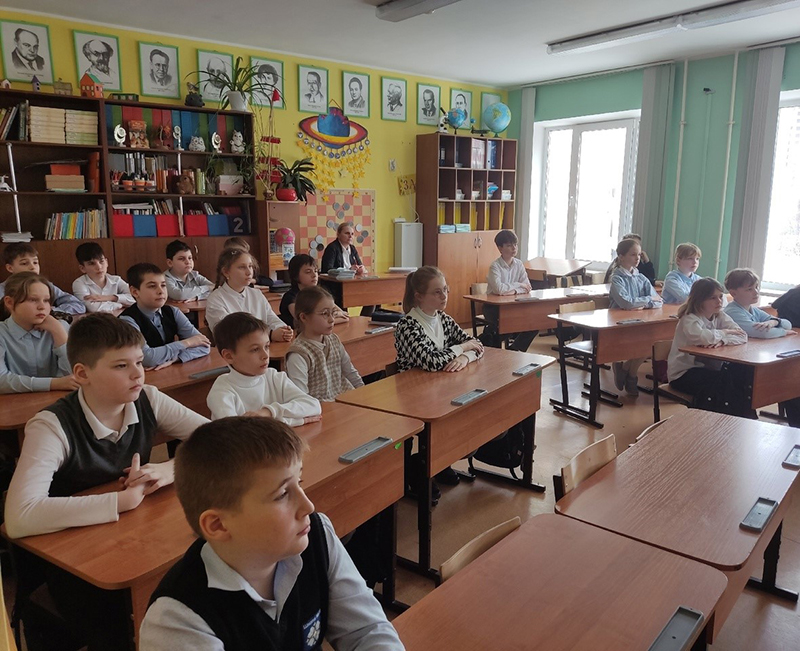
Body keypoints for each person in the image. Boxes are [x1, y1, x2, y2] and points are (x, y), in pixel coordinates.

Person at [4, 314, 208, 650]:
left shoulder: (148, 397)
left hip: (133, 537)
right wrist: (122, 501)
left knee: (192, 575)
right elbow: (19, 515)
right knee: (119, 623)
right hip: (72, 558)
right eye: (121, 366)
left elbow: (217, 439)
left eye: (139, 361)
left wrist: (169, 469)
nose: (137, 373)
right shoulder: (51, 425)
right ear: (82, 373)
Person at [139, 416, 405, 650]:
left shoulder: (316, 534)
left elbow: (366, 631)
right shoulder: (178, 620)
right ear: (218, 525)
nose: (308, 506)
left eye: (299, 482)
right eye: (282, 494)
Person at [395, 267, 484, 487]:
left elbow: (478, 344)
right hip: (414, 397)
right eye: (437, 292)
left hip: (441, 389)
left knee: (472, 411)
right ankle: (420, 469)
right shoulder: (408, 325)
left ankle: (439, 463)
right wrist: (462, 348)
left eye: (445, 289)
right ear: (419, 296)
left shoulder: (442, 318)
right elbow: (431, 362)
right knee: (451, 419)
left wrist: (465, 358)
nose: (444, 296)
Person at [207, 312, 321, 422]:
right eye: (255, 349)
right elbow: (235, 432)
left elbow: (313, 405)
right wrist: (295, 421)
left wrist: (268, 412)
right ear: (229, 356)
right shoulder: (221, 391)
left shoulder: (273, 376)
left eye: (267, 346)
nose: (265, 355)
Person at [667, 277, 753, 418]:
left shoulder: (720, 316)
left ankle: (739, 417)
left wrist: (723, 341)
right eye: (713, 298)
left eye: (720, 296)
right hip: (683, 373)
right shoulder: (690, 318)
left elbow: (742, 335)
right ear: (700, 300)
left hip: (708, 369)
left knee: (739, 375)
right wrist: (725, 332)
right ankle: (711, 419)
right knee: (721, 383)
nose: (719, 301)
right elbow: (703, 337)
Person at [724, 268, 800, 426]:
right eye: (749, 289)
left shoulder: (754, 310)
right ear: (733, 293)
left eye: (756, 287)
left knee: (791, 382)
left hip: (747, 358)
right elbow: (761, 333)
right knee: (783, 381)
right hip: (736, 364)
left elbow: (787, 323)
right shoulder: (732, 311)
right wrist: (783, 332)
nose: (756, 292)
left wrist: (774, 321)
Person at [120, 263, 211, 370]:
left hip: (169, 371)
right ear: (135, 292)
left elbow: (204, 345)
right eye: (152, 286)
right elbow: (146, 358)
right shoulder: (127, 321)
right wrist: (187, 343)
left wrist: (176, 358)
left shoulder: (172, 311)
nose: (160, 291)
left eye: (163, 285)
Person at [0, 272, 77, 393]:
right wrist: (54, 383)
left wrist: (59, 333)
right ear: (9, 302)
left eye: (46, 300)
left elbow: (76, 376)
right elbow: (2, 380)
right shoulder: (2, 333)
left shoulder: (59, 328)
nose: (42, 307)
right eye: (33, 300)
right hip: (14, 402)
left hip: (58, 400)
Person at [285, 286, 364, 401]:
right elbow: (302, 399)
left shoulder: (334, 340)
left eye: (333, 313)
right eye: (325, 314)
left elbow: (350, 372)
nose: (332, 319)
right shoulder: (298, 354)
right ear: (304, 317)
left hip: (344, 401)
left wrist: (363, 392)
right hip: (320, 408)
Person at [608, 237, 663, 396]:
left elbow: (659, 301)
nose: (637, 258)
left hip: (639, 321)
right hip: (619, 323)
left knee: (650, 342)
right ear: (621, 256)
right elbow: (626, 303)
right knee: (641, 342)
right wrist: (647, 300)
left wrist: (642, 304)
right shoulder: (617, 278)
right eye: (633, 254)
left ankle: (627, 370)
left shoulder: (641, 277)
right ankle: (630, 375)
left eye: (639, 254)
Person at [205, 248, 292, 339]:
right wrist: (270, 334)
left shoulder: (256, 294)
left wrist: (283, 329)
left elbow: (271, 318)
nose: (249, 272)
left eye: (250, 266)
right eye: (242, 267)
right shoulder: (216, 299)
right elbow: (229, 333)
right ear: (226, 272)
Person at [482, 230, 536, 351]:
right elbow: (499, 289)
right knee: (505, 326)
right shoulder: (495, 266)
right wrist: (519, 285)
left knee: (534, 323)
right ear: (500, 248)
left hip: (513, 305)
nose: (514, 248)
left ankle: (515, 350)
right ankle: (494, 349)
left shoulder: (519, 264)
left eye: (515, 244)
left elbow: (527, 287)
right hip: (493, 307)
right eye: (509, 245)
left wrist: (514, 291)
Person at [0, 242, 84, 315]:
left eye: (35, 262)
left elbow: (78, 305)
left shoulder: (45, 285)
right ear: (10, 268)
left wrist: (52, 311)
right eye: (24, 263)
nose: (32, 267)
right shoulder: (2, 290)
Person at [280, 254, 349, 329]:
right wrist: (336, 315)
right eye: (308, 272)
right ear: (295, 275)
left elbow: (344, 316)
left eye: (316, 271)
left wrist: (331, 316)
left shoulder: (319, 294)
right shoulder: (291, 297)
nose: (314, 275)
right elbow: (307, 323)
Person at [72, 242, 135, 313]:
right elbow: (93, 308)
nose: (99, 267)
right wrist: (121, 304)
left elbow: (136, 298)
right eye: (92, 263)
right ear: (82, 268)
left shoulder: (116, 280)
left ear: (107, 262)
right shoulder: (79, 283)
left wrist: (110, 297)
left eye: (101, 261)